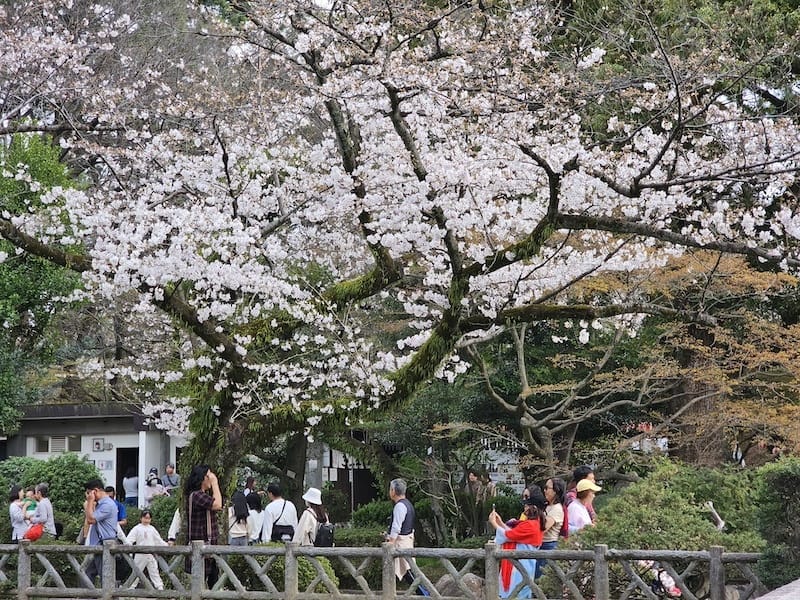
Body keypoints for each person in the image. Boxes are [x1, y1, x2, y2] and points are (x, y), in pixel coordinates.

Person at [489, 491, 546, 598]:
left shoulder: (530, 525)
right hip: (524, 563)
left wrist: (494, 524)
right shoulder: (534, 524)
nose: (524, 509)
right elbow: (514, 534)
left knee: (516, 592)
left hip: (520, 565)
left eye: (526, 506)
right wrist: (500, 523)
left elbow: (508, 535)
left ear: (532, 508)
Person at [387, 478, 429, 596]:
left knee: (408, 573)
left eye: (390, 489)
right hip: (407, 540)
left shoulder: (400, 506)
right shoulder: (408, 504)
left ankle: (425, 595)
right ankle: (424, 594)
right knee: (408, 572)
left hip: (401, 543)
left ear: (394, 491)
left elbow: (396, 527)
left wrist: (390, 541)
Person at [185, 465, 222, 588]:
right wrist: (215, 483)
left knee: (213, 586)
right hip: (201, 549)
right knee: (200, 587)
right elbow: (217, 504)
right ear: (202, 478)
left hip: (207, 549)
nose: (211, 478)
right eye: (208, 475)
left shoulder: (200, 495)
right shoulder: (196, 495)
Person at [84, 479, 119, 585]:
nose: (87, 495)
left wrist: (90, 502)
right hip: (97, 544)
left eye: (88, 492)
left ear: (95, 490)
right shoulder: (101, 504)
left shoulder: (107, 504)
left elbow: (90, 520)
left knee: (106, 577)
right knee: (86, 573)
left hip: (105, 544)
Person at [126, 509, 167, 590]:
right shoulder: (137, 528)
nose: (146, 520)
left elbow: (158, 540)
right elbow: (129, 540)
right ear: (141, 518)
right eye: (145, 518)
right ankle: (131, 587)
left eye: (148, 518)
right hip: (140, 554)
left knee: (154, 571)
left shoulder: (152, 529)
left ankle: (159, 587)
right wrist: (128, 547)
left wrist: (166, 545)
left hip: (151, 554)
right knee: (136, 571)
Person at [537, 477, 567, 579]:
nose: (544, 490)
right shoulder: (547, 506)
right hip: (541, 545)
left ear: (556, 491)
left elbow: (543, 527)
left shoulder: (557, 509)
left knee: (542, 579)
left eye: (547, 488)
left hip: (548, 546)